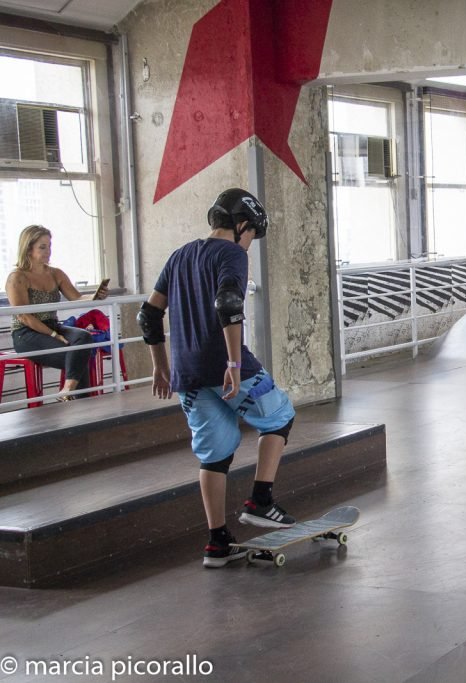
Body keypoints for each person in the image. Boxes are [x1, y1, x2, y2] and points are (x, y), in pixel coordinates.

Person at [138, 188, 296, 568]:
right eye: (252, 235)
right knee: (280, 416)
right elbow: (228, 303)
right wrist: (234, 363)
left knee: (215, 455)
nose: (250, 244)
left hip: (187, 373)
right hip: (223, 366)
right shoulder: (231, 255)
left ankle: (217, 541)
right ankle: (261, 500)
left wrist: (160, 366)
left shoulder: (179, 256)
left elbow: (148, 314)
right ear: (242, 225)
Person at [5, 224, 109, 401]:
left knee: (84, 339)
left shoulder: (56, 273)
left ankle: (69, 392)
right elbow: (24, 316)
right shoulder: (17, 277)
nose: (48, 251)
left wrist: (95, 295)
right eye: (42, 247)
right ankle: (83, 407)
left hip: (52, 326)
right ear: (28, 248)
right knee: (78, 355)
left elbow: (76, 297)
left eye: (49, 246)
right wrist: (53, 334)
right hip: (26, 334)